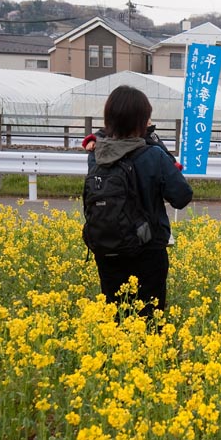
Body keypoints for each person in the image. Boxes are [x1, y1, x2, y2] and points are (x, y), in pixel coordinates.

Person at [88, 85, 193, 317]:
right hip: (147, 251)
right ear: (143, 121)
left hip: (107, 249)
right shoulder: (152, 155)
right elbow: (182, 196)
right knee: (149, 320)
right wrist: (155, 142)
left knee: (115, 318)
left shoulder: (96, 154)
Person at [83, 122, 184, 171]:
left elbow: (163, 150)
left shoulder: (151, 135)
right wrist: (91, 140)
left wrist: (173, 163)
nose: (149, 120)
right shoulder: (116, 131)